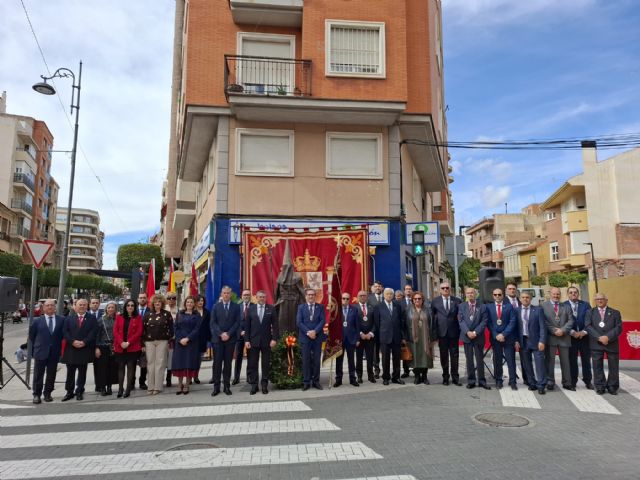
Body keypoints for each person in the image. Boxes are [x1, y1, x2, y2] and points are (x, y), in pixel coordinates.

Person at [585, 293, 623, 395]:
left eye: (602, 299)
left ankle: (612, 386)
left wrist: (607, 337)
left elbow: (619, 327)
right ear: (595, 301)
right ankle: (600, 386)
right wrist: (599, 337)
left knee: (613, 366)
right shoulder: (590, 312)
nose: (600, 301)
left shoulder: (615, 312)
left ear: (606, 300)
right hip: (596, 343)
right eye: (597, 299)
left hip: (611, 343)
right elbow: (588, 326)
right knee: (597, 366)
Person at [61, 298, 98, 401]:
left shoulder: (92, 318)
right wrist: (73, 341)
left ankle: (79, 391)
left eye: (84, 305)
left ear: (87, 306)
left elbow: (93, 332)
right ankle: (69, 392)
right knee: (70, 372)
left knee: (82, 372)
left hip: (84, 349)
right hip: (71, 349)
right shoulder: (68, 318)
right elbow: (65, 332)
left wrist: (84, 342)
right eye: (80, 305)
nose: (82, 307)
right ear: (75, 306)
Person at [29, 299, 64, 403]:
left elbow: (63, 335)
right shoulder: (37, 321)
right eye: (47, 305)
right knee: (38, 374)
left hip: (54, 352)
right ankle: (36, 394)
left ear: (55, 307)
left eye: (52, 305)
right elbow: (32, 337)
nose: (50, 307)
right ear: (43, 308)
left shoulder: (61, 320)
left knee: (51, 374)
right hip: (40, 352)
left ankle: (48, 393)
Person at [245, 290, 279, 394]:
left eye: (263, 297)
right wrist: (246, 340)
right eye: (260, 297)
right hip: (253, 341)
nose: (262, 299)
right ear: (256, 298)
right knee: (253, 364)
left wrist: (274, 339)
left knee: (265, 364)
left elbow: (276, 325)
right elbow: (247, 326)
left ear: (266, 298)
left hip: (267, 341)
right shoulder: (251, 309)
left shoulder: (271, 309)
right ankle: (254, 386)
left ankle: (264, 385)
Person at [210, 286, 241, 396]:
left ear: (231, 294)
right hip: (218, 340)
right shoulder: (215, 307)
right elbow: (213, 323)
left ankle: (227, 386)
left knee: (228, 364)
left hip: (230, 340)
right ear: (221, 294)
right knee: (217, 364)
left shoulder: (236, 307)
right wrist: (221, 333)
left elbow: (237, 323)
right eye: (224, 293)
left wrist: (228, 334)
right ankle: (216, 387)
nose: (226, 295)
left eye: (228, 293)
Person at [542, 287, 574, 391]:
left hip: (564, 337)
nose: (556, 296)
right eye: (554, 294)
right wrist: (554, 330)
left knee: (566, 361)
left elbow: (571, 320)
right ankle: (550, 381)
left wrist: (563, 330)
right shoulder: (543, 306)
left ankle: (567, 383)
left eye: (558, 294)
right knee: (550, 361)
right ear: (550, 294)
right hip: (551, 337)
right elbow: (543, 321)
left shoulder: (566, 306)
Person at [458, 288, 490, 390]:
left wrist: (475, 332)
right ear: (465, 295)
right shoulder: (461, 306)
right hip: (467, 337)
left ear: (475, 294)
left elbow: (484, 321)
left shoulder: (483, 306)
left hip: (478, 337)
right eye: (468, 293)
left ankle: (481, 381)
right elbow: (461, 321)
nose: (470, 294)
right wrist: (467, 332)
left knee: (480, 359)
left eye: (472, 293)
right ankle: (471, 380)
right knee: (469, 360)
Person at [431, 282, 462, 386]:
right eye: (443, 288)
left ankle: (455, 377)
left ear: (450, 289)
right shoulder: (435, 301)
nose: (445, 289)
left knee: (455, 356)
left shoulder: (457, 301)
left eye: (447, 288)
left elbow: (461, 317)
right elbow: (433, 320)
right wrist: (434, 335)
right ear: (440, 290)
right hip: (442, 334)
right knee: (443, 356)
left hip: (454, 333)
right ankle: (445, 377)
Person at [486, 288, 518, 390]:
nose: (497, 297)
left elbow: (512, 322)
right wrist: (496, 335)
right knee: (497, 360)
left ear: (503, 295)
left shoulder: (509, 306)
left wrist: (503, 334)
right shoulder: (489, 307)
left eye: (499, 295)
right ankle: (498, 380)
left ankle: (513, 381)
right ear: (493, 296)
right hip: (495, 339)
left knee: (511, 360)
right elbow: (489, 322)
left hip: (508, 338)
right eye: (495, 295)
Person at [373, 287, 406, 386]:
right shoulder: (379, 306)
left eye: (391, 294)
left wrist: (402, 336)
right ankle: (386, 377)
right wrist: (379, 336)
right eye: (387, 294)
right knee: (385, 359)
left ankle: (396, 377)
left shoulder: (397, 305)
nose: (389, 296)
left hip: (396, 336)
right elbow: (377, 322)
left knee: (396, 358)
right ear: (384, 295)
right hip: (385, 336)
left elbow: (401, 321)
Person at [143, 294, 174, 395]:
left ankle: (158, 387)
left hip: (162, 341)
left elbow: (171, 328)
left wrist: (168, 337)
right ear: (152, 303)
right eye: (155, 302)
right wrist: (142, 343)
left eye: (159, 302)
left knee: (160, 364)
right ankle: (150, 386)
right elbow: (143, 329)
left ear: (162, 303)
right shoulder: (147, 314)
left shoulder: (167, 314)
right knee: (150, 364)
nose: (157, 303)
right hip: (149, 342)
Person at [517, 291, 547, 394]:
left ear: (530, 299)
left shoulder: (538, 310)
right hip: (523, 341)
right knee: (527, 364)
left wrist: (542, 341)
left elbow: (543, 327)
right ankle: (532, 383)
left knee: (540, 364)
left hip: (536, 341)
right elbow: (515, 328)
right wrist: (516, 341)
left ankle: (541, 385)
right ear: (520, 299)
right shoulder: (516, 310)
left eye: (527, 297)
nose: (525, 299)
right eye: (523, 297)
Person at [172, 296, 203, 394]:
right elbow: (176, 327)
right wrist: (181, 339)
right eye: (187, 302)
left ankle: (187, 385)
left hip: (191, 343)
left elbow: (197, 329)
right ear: (185, 304)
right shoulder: (179, 314)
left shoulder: (197, 315)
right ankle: (179, 384)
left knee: (189, 363)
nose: (189, 304)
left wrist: (188, 338)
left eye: (191, 302)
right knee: (180, 363)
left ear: (194, 304)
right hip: (180, 342)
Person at [297, 288, 326, 390]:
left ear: (315, 296)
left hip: (317, 337)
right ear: (306, 296)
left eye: (313, 295)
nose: (311, 296)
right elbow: (299, 322)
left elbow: (322, 321)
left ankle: (316, 381)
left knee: (316, 360)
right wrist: (309, 332)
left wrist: (315, 331)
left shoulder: (320, 307)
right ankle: (306, 382)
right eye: (309, 295)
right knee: (306, 360)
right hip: (305, 338)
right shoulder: (301, 307)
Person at [113, 300, 143, 398]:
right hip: (120, 346)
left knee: (131, 368)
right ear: (125, 307)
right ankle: (120, 389)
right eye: (128, 305)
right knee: (120, 368)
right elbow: (115, 331)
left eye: (132, 305)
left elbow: (139, 332)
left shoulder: (138, 318)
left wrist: (128, 342)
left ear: (135, 307)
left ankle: (128, 389)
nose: (130, 307)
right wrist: (121, 342)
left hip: (132, 347)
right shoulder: (119, 317)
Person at [565, 286, 593, 389]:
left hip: (584, 338)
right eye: (571, 292)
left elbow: (591, 319)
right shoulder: (564, 305)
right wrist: (572, 332)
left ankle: (588, 380)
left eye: (575, 292)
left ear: (578, 294)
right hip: (570, 338)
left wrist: (584, 332)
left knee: (586, 360)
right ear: (568, 294)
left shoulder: (585, 305)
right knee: (572, 361)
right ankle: (573, 382)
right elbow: (562, 322)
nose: (573, 294)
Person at [405, 292, 434, 385]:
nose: (417, 300)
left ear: (422, 300)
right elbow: (404, 324)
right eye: (415, 299)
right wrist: (404, 337)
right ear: (412, 300)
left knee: (425, 357)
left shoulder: (428, 310)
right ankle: (417, 376)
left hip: (425, 338)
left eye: (419, 298)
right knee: (415, 357)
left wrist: (433, 338)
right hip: (413, 338)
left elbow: (432, 324)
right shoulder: (408, 310)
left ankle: (424, 376)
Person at [334, 292, 359, 388]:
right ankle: (338, 380)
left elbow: (357, 326)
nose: (345, 300)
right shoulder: (337, 310)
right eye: (343, 298)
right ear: (341, 299)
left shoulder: (354, 310)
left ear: (349, 300)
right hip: (339, 340)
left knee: (351, 360)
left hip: (351, 339)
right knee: (338, 361)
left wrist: (357, 339)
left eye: (347, 299)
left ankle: (353, 379)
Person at [94, 301, 118, 396]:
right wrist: (96, 347)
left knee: (112, 368)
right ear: (106, 309)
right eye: (109, 307)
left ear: (115, 309)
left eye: (112, 307)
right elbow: (96, 335)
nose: (111, 309)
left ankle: (109, 387)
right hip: (103, 346)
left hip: (114, 347)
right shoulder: (100, 320)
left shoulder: (118, 319)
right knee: (102, 368)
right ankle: (102, 387)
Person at [355, 290, 376, 384]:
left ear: (367, 297)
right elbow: (353, 324)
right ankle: (359, 376)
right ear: (357, 297)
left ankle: (371, 376)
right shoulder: (354, 308)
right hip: (359, 337)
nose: (363, 297)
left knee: (370, 357)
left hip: (370, 337)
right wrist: (360, 334)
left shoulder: (372, 307)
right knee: (359, 358)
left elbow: (376, 322)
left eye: (364, 295)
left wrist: (370, 333)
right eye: (361, 296)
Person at [233, 289, 252, 385]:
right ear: (242, 296)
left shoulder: (254, 307)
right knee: (238, 357)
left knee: (250, 357)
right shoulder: (237, 307)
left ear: (250, 296)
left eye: (248, 295)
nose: (246, 297)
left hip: (251, 337)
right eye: (244, 295)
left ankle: (249, 377)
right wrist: (240, 331)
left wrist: (248, 332)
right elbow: (235, 322)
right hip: (239, 336)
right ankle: (236, 378)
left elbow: (255, 322)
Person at [367, 280, 384, 379]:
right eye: (376, 286)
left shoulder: (386, 297)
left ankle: (386, 370)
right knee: (375, 352)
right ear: (373, 288)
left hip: (385, 330)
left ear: (382, 288)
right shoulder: (369, 299)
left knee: (385, 351)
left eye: (379, 286)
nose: (378, 288)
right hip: (374, 330)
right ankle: (376, 370)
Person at [194, 295, 210, 385]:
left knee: (199, 358)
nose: (201, 302)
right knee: (192, 358)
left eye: (202, 301)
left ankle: (196, 376)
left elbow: (209, 325)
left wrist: (209, 338)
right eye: (199, 300)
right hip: (193, 338)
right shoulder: (192, 311)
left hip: (203, 338)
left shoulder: (207, 312)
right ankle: (190, 375)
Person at [136, 293, 150, 390]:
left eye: (144, 298)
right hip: (133, 341)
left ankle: (142, 382)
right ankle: (131, 382)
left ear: (147, 299)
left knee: (144, 363)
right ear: (138, 299)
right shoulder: (132, 309)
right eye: (140, 298)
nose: (142, 299)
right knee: (132, 363)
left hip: (146, 341)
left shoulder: (151, 310)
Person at [400, 284, 414, 378]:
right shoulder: (399, 303)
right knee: (405, 351)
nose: (408, 291)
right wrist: (402, 336)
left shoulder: (416, 301)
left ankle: (416, 370)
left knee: (415, 351)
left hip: (416, 331)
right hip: (405, 331)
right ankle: (406, 371)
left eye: (410, 289)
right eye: (406, 289)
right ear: (404, 291)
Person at [165, 293, 178, 387]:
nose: (171, 300)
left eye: (173, 298)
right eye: (169, 298)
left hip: (173, 339)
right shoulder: (163, 309)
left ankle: (168, 378)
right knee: (161, 360)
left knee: (170, 359)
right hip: (163, 338)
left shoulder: (179, 310)